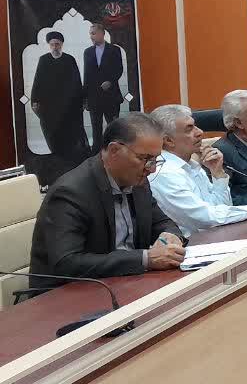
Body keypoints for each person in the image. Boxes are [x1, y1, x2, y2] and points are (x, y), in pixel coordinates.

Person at [28, 113, 186, 289]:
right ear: (114, 150)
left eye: (156, 159)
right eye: (145, 159)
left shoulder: (138, 181)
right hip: (67, 294)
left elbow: (163, 222)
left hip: (126, 283)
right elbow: (67, 263)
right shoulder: (70, 192)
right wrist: (145, 259)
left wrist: (170, 235)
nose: (152, 168)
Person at [147, 104, 247, 238]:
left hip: (216, 236)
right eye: (189, 129)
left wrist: (218, 174)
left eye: (195, 126)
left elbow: (221, 208)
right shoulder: (164, 174)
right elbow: (204, 218)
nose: (199, 132)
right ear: (168, 140)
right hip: (191, 244)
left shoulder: (192, 165)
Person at [30, 31, 88, 178]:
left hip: (68, 107)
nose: (55, 47)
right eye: (52, 44)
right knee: (53, 136)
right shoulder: (44, 60)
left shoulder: (69, 59)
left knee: (70, 137)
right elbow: (38, 81)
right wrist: (35, 100)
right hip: (50, 107)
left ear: (61, 45)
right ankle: (58, 165)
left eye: (57, 44)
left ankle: (71, 167)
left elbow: (77, 82)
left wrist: (82, 100)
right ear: (49, 45)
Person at [83, 22, 125, 152]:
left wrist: (110, 81)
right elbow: (86, 75)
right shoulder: (88, 52)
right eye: (90, 34)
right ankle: (96, 153)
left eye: (93, 33)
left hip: (111, 96)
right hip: (94, 97)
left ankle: (115, 152)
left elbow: (119, 69)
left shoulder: (114, 50)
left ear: (102, 33)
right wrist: (85, 98)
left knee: (113, 127)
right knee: (96, 127)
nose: (91, 36)